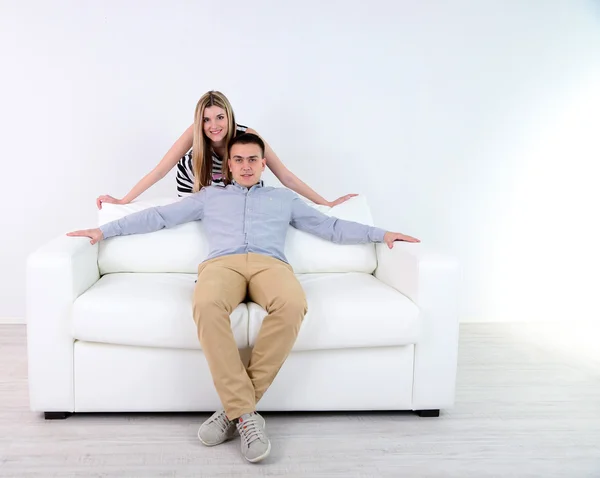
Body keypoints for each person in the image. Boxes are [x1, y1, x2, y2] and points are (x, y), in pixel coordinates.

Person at [69, 133, 419, 464]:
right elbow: (159, 217)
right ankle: (246, 414)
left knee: (293, 303)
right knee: (206, 305)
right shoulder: (210, 196)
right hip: (222, 266)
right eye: (239, 159)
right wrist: (103, 230)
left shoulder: (284, 199)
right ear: (230, 165)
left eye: (253, 159)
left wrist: (382, 234)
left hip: (271, 265)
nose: (247, 165)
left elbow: (331, 227)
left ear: (263, 163)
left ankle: (233, 409)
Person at [96, 90, 357, 209]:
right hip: (203, 201)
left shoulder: (248, 137)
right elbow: (160, 170)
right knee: (188, 166)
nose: (213, 126)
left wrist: (327, 203)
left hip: (243, 203)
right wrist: (122, 201)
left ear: (229, 116)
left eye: (219, 117)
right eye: (207, 119)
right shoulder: (195, 134)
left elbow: (284, 175)